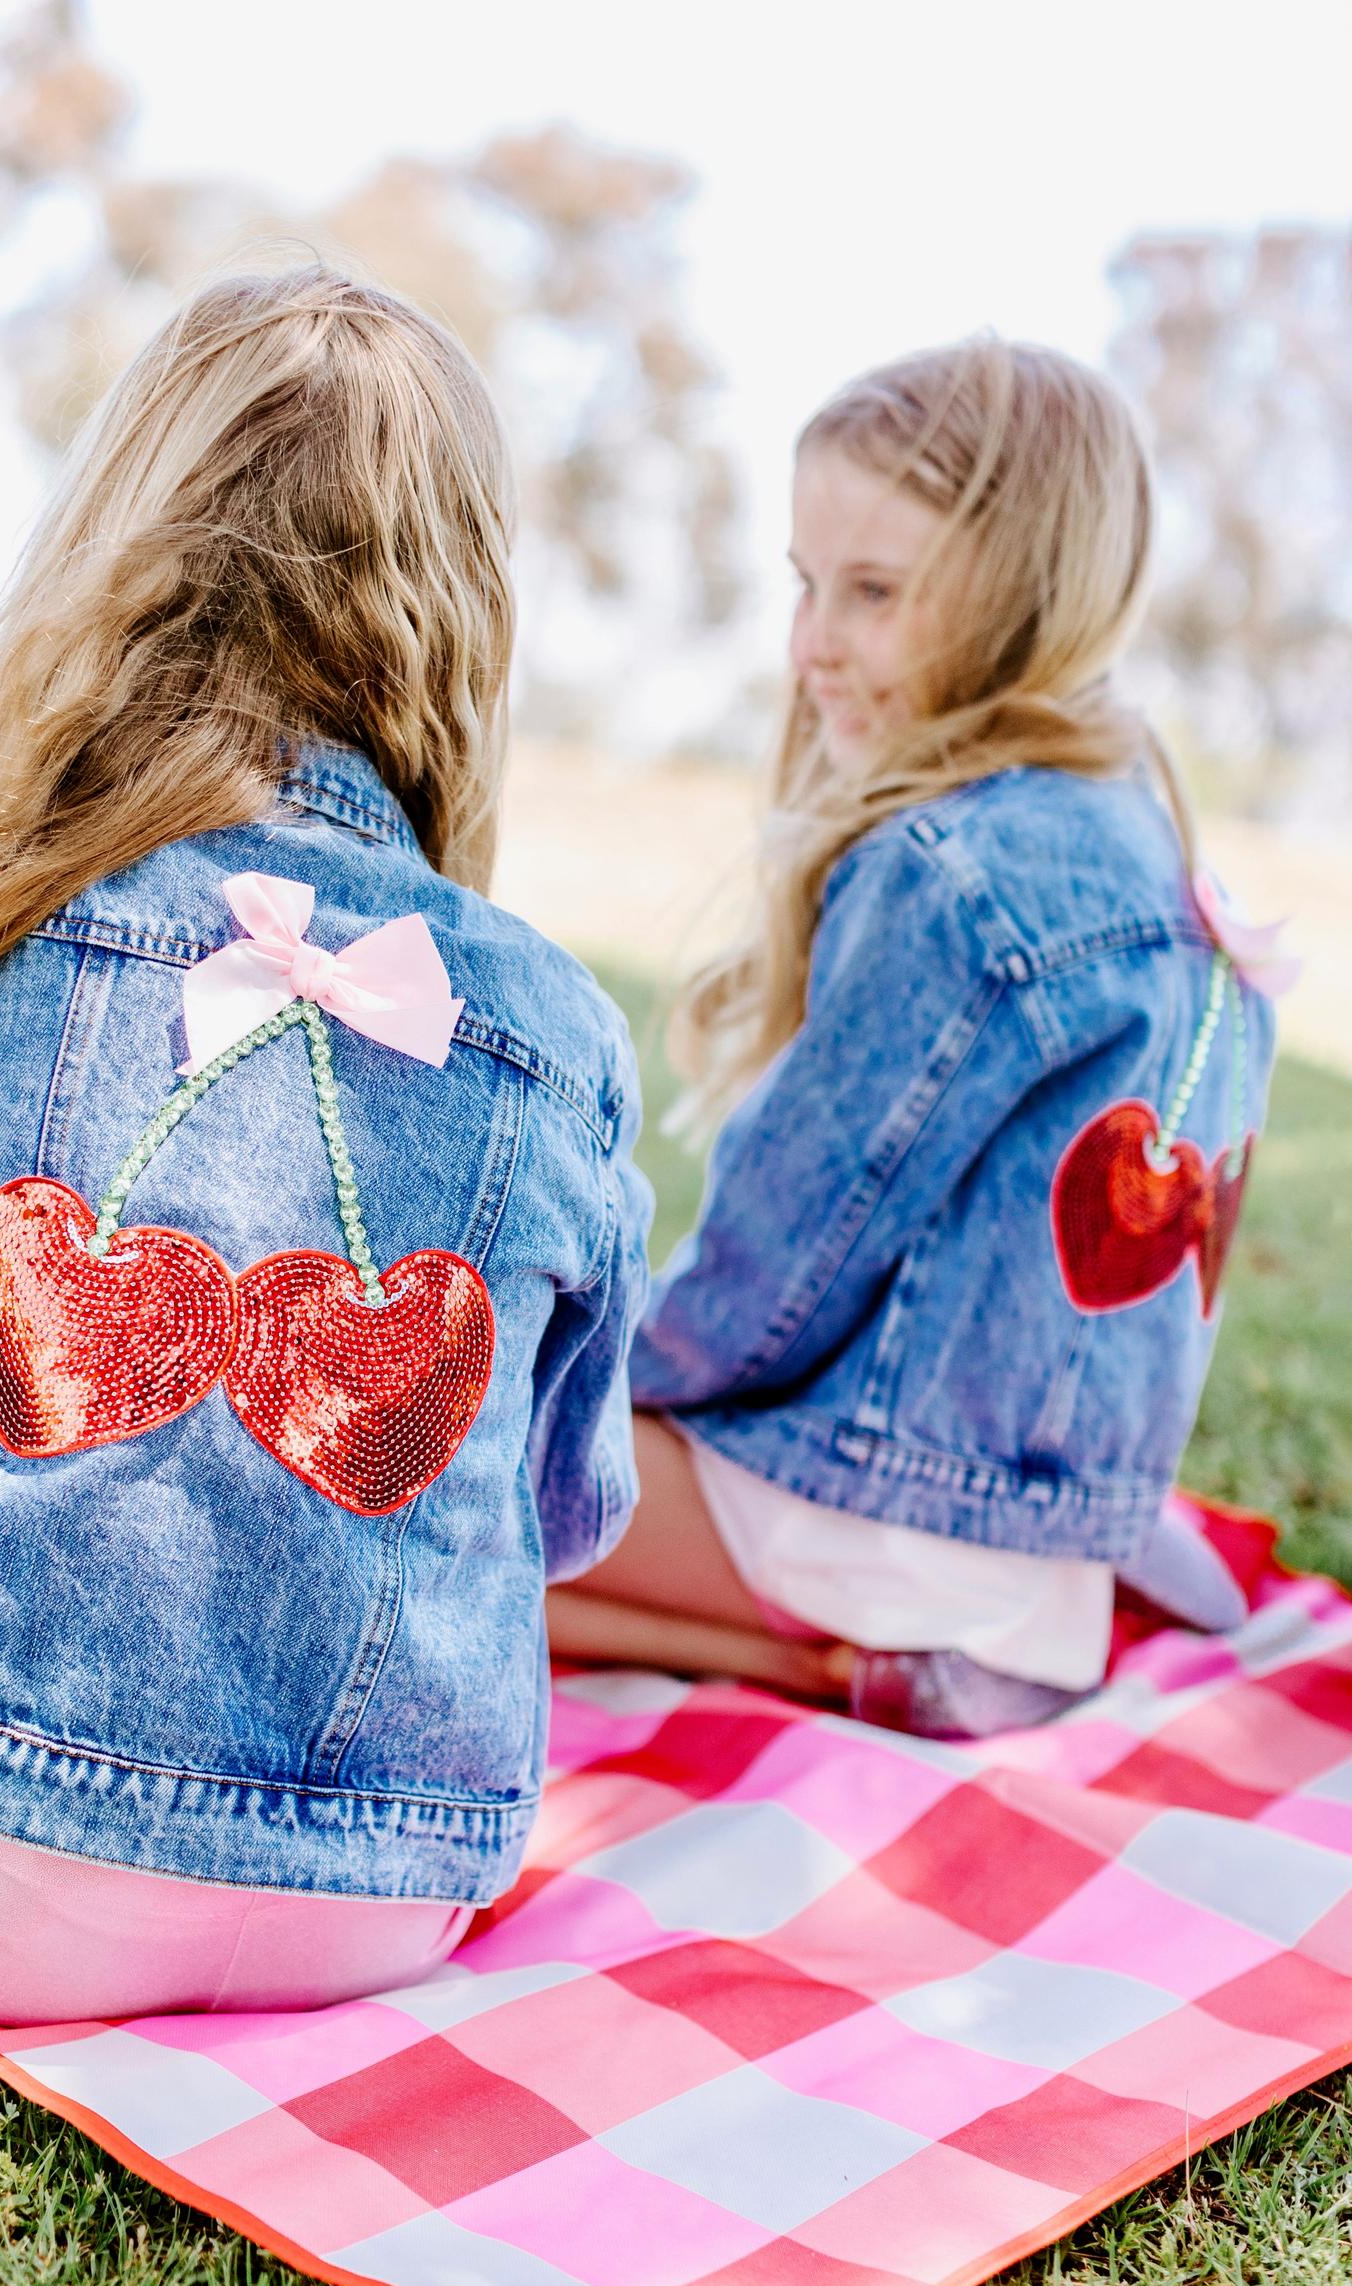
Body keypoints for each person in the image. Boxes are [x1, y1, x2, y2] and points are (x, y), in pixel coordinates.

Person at [0, 267, 651, 2022]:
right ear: (464, 611)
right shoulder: (556, 1027)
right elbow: (562, 1510)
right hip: (388, 1891)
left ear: (117, 545)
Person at [547, 337, 1279, 1737]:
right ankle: (857, 1660)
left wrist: (577, 1392)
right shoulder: (1149, 842)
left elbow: (777, 1275)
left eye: (872, 593)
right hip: (1045, 1532)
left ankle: (836, 1653)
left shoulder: (959, 874)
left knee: (417, 1484)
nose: (813, 642)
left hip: (885, 1520)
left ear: (1022, 598)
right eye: (807, 585)